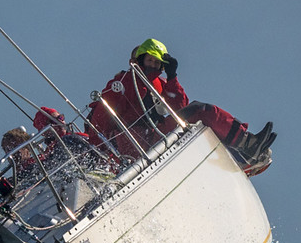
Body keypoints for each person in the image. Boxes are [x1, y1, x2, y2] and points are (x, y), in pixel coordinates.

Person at [87, 38, 275, 167]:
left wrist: (172, 77)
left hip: (155, 135)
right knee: (198, 110)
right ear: (139, 59)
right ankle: (246, 145)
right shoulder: (124, 82)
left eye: (156, 63)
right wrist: (103, 156)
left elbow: (179, 108)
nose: (152, 65)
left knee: (200, 111)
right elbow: (101, 118)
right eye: (149, 60)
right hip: (133, 144)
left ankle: (242, 146)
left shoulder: (160, 84)